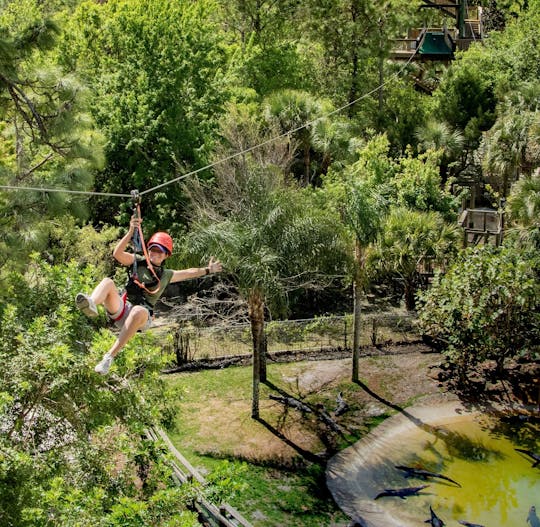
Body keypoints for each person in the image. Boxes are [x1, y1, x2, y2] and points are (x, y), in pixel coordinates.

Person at [76, 216, 222, 375]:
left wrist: (208, 270)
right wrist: (131, 231)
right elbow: (117, 254)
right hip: (123, 309)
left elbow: (188, 273)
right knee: (107, 282)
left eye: (161, 251)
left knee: (139, 310)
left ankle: (108, 357)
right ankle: (91, 303)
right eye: (153, 249)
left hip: (141, 317)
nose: (156, 253)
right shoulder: (138, 261)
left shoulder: (166, 275)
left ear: (166, 255)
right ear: (148, 249)